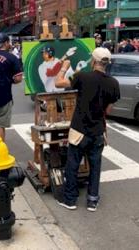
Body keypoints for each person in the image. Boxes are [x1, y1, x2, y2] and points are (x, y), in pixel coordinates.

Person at [55, 47, 120, 212]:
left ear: (93, 61)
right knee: (95, 166)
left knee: (72, 165)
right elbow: (108, 111)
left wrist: (64, 66)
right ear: (107, 63)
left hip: (79, 130)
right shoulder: (113, 83)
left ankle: (70, 200)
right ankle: (92, 201)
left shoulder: (82, 77)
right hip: (98, 131)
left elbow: (58, 82)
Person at [0, 33, 22, 141]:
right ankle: (0, 149)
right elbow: (18, 78)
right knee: (1, 125)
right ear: (6, 43)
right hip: (4, 95)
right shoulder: (11, 57)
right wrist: (9, 81)